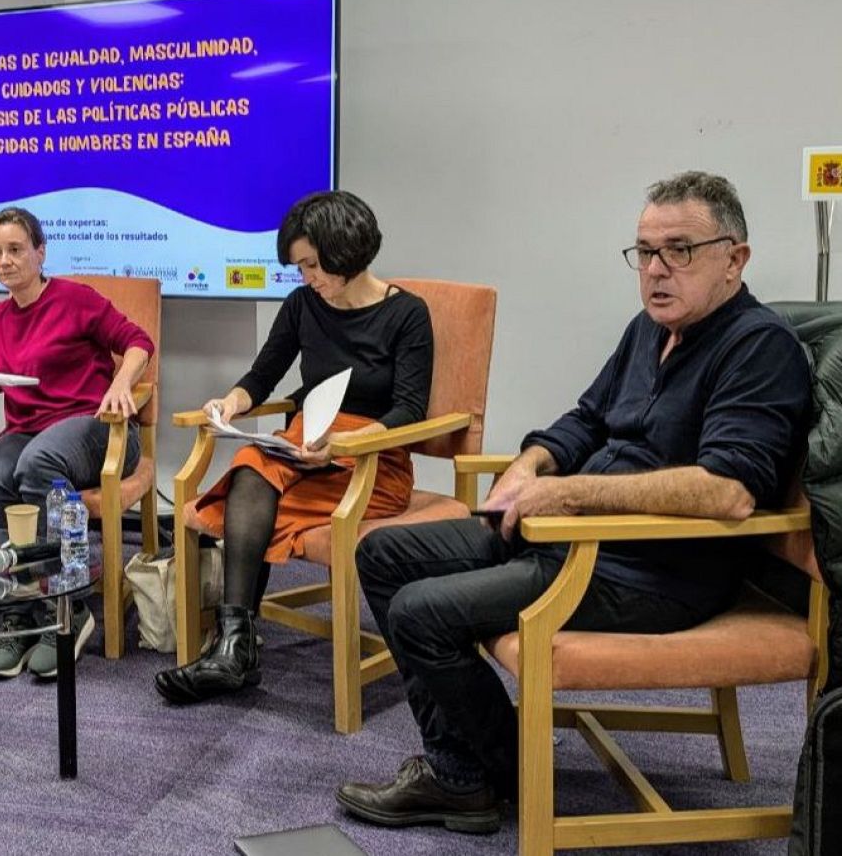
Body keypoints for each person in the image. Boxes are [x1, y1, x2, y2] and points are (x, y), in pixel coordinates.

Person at [335, 171, 812, 834]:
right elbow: (587, 419)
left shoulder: (759, 348)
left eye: (679, 250)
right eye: (645, 252)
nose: (656, 270)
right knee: (384, 553)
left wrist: (570, 492)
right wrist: (529, 465)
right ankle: (468, 767)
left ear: (735, 259)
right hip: (568, 536)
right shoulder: (649, 330)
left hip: (650, 570)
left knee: (422, 614)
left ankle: (480, 776)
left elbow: (728, 490)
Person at [154, 190, 434, 704]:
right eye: (300, 267)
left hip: (371, 460)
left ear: (345, 251)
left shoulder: (407, 314)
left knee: (250, 504)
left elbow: (410, 410)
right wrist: (231, 402)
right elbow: (263, 375)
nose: (306, 277)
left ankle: (234, 651)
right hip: (304, 447)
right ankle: (235, 646)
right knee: (250, 464)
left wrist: (347, 442)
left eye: (312, 265)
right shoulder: (303, 305)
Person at [0, 206, 154, 681]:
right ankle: (18, 610)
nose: (5, 260)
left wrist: (121, 383)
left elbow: (138, 342)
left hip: (97, 428)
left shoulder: (75, 299)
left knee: (36, 463)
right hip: (28, 433)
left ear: (40, 252)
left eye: (16, 250)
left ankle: (66, 605)